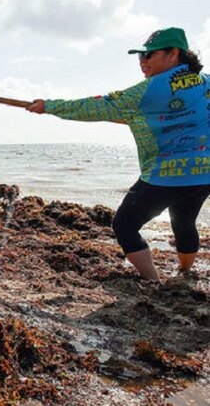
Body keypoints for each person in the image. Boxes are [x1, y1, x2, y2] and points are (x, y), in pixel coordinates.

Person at [26, 27, 209, 282]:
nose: (143, 62)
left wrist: (49, 106)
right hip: (204, 174)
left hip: (166, 175)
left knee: (124, 225)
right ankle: (186, 273)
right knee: (184, 220)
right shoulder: (207, 82)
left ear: (173, 54)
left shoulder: (147, 91)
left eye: (149, 56)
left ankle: (152, 281)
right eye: (140, 58)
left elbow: (94, 107)